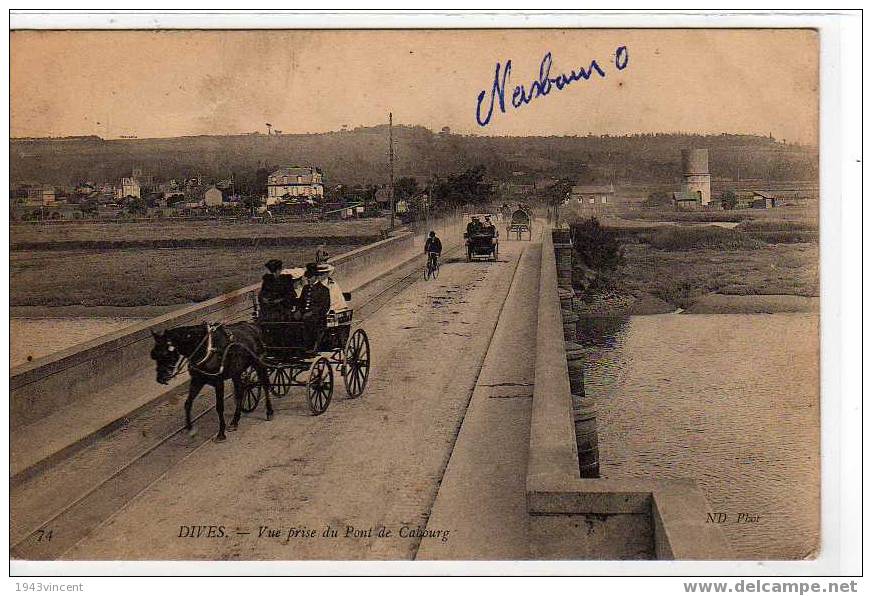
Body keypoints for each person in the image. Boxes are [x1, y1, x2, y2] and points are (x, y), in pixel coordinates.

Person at [299, 262, 332, 349]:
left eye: (310, 277)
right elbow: (301, 303)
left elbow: (324, 306)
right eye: (307, 277)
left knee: (308, 320)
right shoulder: (305, 288)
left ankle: (309, 346)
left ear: (315, 277)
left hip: (318, 318)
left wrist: (312, 313)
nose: (308, 279)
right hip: (305, 315)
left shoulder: (324, 290)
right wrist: (299, 311)